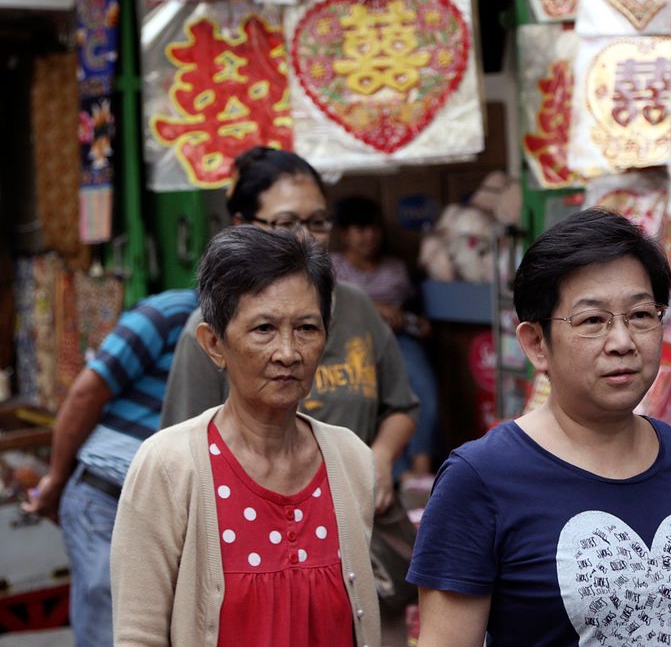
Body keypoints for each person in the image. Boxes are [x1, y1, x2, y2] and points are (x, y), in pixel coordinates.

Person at [407, 209, 671, 646]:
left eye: (641, 314)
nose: (622, 342)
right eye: (592, 321)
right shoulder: (481, 477)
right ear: (536, 344)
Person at [160, 147, 421, 611]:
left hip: (359, 537)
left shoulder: (357, 307)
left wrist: (377, 460)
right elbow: (183, 460)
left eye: (318, 221)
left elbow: (400, 405)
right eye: (285, 223)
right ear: (242, 225)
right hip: (252, 553)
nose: (307, 237)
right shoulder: (212, 331)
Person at [110, 226, 379, 645]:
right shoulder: (168, 466)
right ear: (214, 343)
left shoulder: (351, 460)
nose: (288, 352)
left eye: (307, 328)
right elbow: (137, 635)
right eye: (264, 329)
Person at [22, 288, 197, 647]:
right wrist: (55, 479)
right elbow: (87, 392)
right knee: (112, 633)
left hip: (175, 511)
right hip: (106, 497)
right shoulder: (171, 313)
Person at [331, 195, 438, 477]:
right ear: (344, 233)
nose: (368, 236)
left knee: (424, 391)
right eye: (359, 229)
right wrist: (373, 308)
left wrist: (405, 318)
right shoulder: (332, 268)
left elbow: (416, 310)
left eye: (372, 228)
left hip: (399, 339)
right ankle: (396, 471)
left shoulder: (395, 268)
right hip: (350, 342)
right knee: (374, 400)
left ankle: (421, 468)